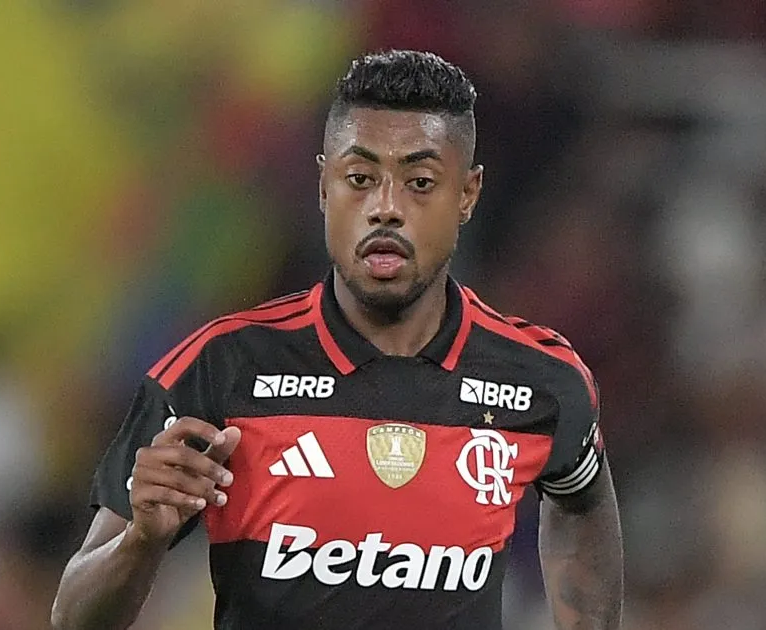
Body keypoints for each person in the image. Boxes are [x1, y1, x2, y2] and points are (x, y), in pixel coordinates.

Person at [51, 49, 623, 630]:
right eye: (360, 178)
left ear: (468, 195)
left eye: (420, 182)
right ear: (324, 185)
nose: (386, 209)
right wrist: (142, 541)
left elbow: (583, 498)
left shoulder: (540, 380)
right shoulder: (218, 369)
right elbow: (73, 618)